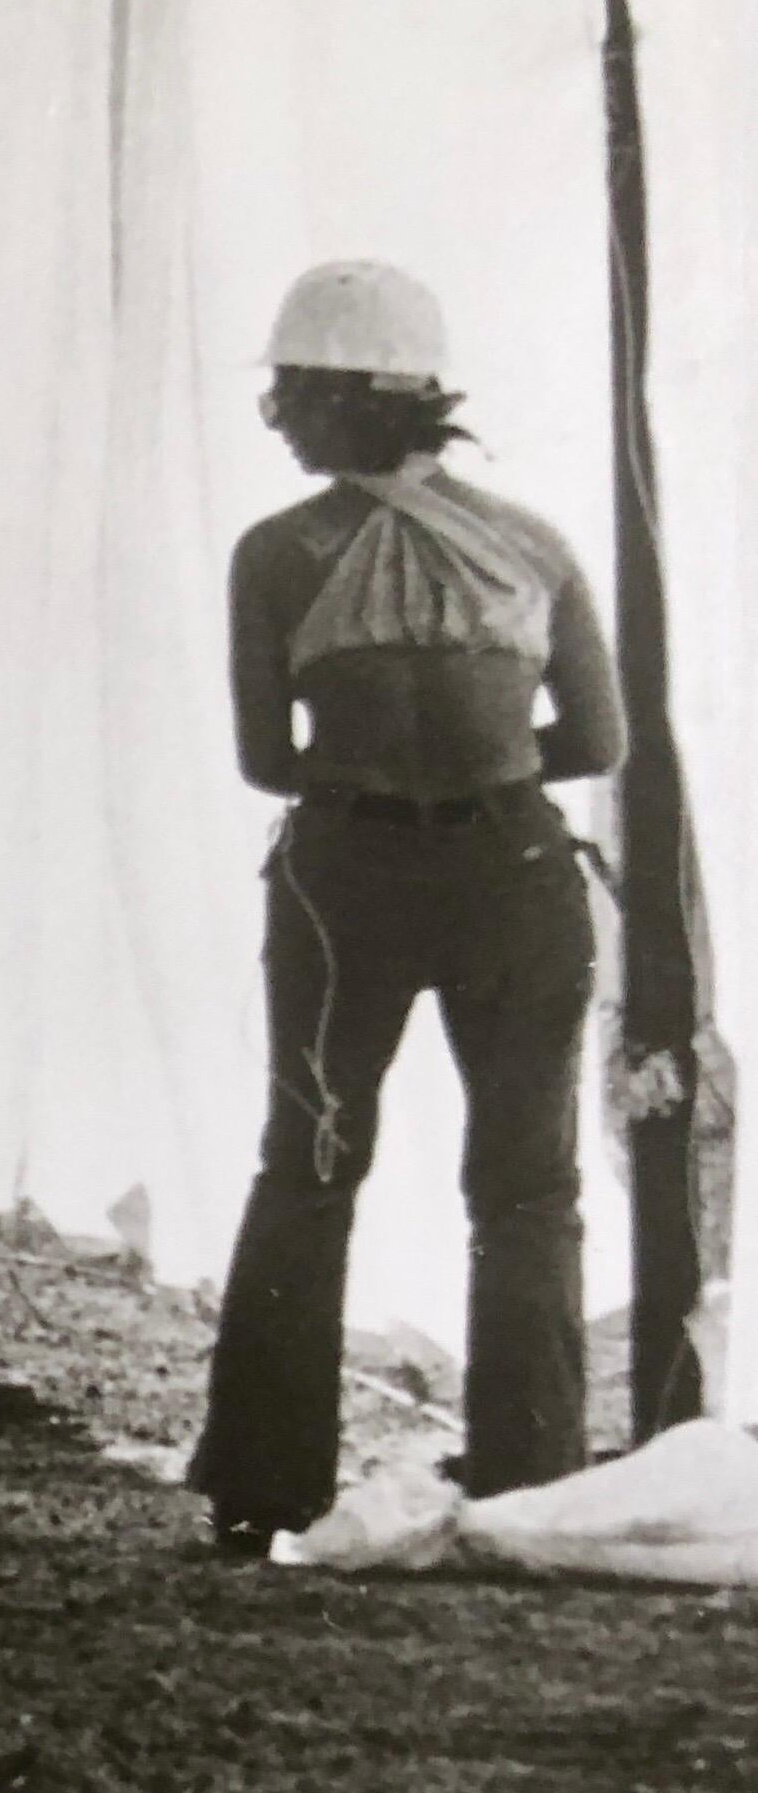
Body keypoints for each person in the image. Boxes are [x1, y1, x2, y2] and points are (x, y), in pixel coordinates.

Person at [187, 262, 628, 1553]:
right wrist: (481, 770)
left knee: (308, 1166)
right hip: (515, 877)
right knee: (525, 1184)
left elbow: (266, 760)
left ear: (349, 402)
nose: (274, 416)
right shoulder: (533, 545)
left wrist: (384, 767)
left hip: (347, 882)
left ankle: (262, 1490)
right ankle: (527, 1480)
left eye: (290, 395)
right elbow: (594, 736)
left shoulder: (274, 554)